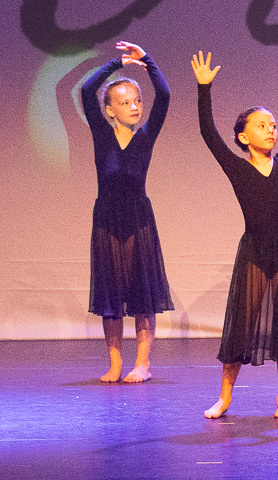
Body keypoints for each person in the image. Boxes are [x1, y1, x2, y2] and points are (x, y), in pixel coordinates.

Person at [192, 49, 278, 419]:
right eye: (262, 125)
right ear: (244, 136)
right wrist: (204, 89)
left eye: (273, 125)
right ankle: (224, 397)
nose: (271, 129)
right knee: (241, 325)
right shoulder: (237, 168)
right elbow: (208, 133)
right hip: (254, 250)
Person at [81, 41, 173, 383]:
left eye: (137, 101)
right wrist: (116, 64)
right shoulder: (101, 134)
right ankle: (115, 363)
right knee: (111, 292)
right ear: (109, 110)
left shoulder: (145, 136)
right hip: (106, 218)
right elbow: (87, 90)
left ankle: (143, 363)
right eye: (124, 102)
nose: (134, 107)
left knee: (141, 292)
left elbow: (164, 95)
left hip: (138, 217)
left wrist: (146, 60)